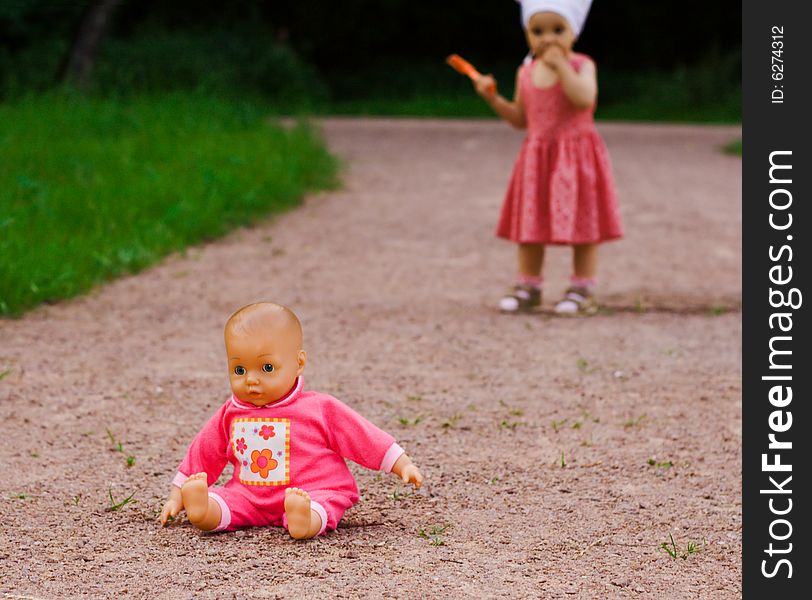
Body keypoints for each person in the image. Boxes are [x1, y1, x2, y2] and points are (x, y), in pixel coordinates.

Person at [159, 302, 423, 539]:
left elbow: (360, 435)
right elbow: (203, 451)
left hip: (313, 488)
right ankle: (204, 511)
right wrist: (178, 492)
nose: (251, 379)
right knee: (224, 499)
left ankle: (305, 520)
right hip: (249, 495)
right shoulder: (231, 412)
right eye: (239, 370)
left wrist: (400, 463)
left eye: (267, 368)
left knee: (325, 503)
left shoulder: (318, 408)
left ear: (298, 363)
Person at [473, 0, 623, 314]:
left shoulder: (582, 65)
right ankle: (528, 285)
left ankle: (582, 287)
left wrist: (562, 67)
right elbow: (520, 119)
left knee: (583, 223)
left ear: (574, 33)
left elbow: (584, 99)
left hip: (576, 158)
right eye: (537, 31)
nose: (547, 39)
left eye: (558, 30)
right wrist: (492, 98)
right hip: (538, 158)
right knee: (532, 220)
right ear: (527, 33)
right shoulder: (526, 72)